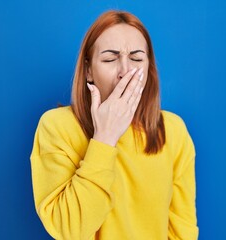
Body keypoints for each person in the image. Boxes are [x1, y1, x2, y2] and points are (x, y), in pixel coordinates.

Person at [30, 10, 198, 240]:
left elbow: (183, 231)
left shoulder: (173, 131)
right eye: (110, 59)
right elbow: (68, 230)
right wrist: (104, 138)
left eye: (137, 59)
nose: (125, 71)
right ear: (88, 71)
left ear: (148, 70)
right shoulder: (56, 126)